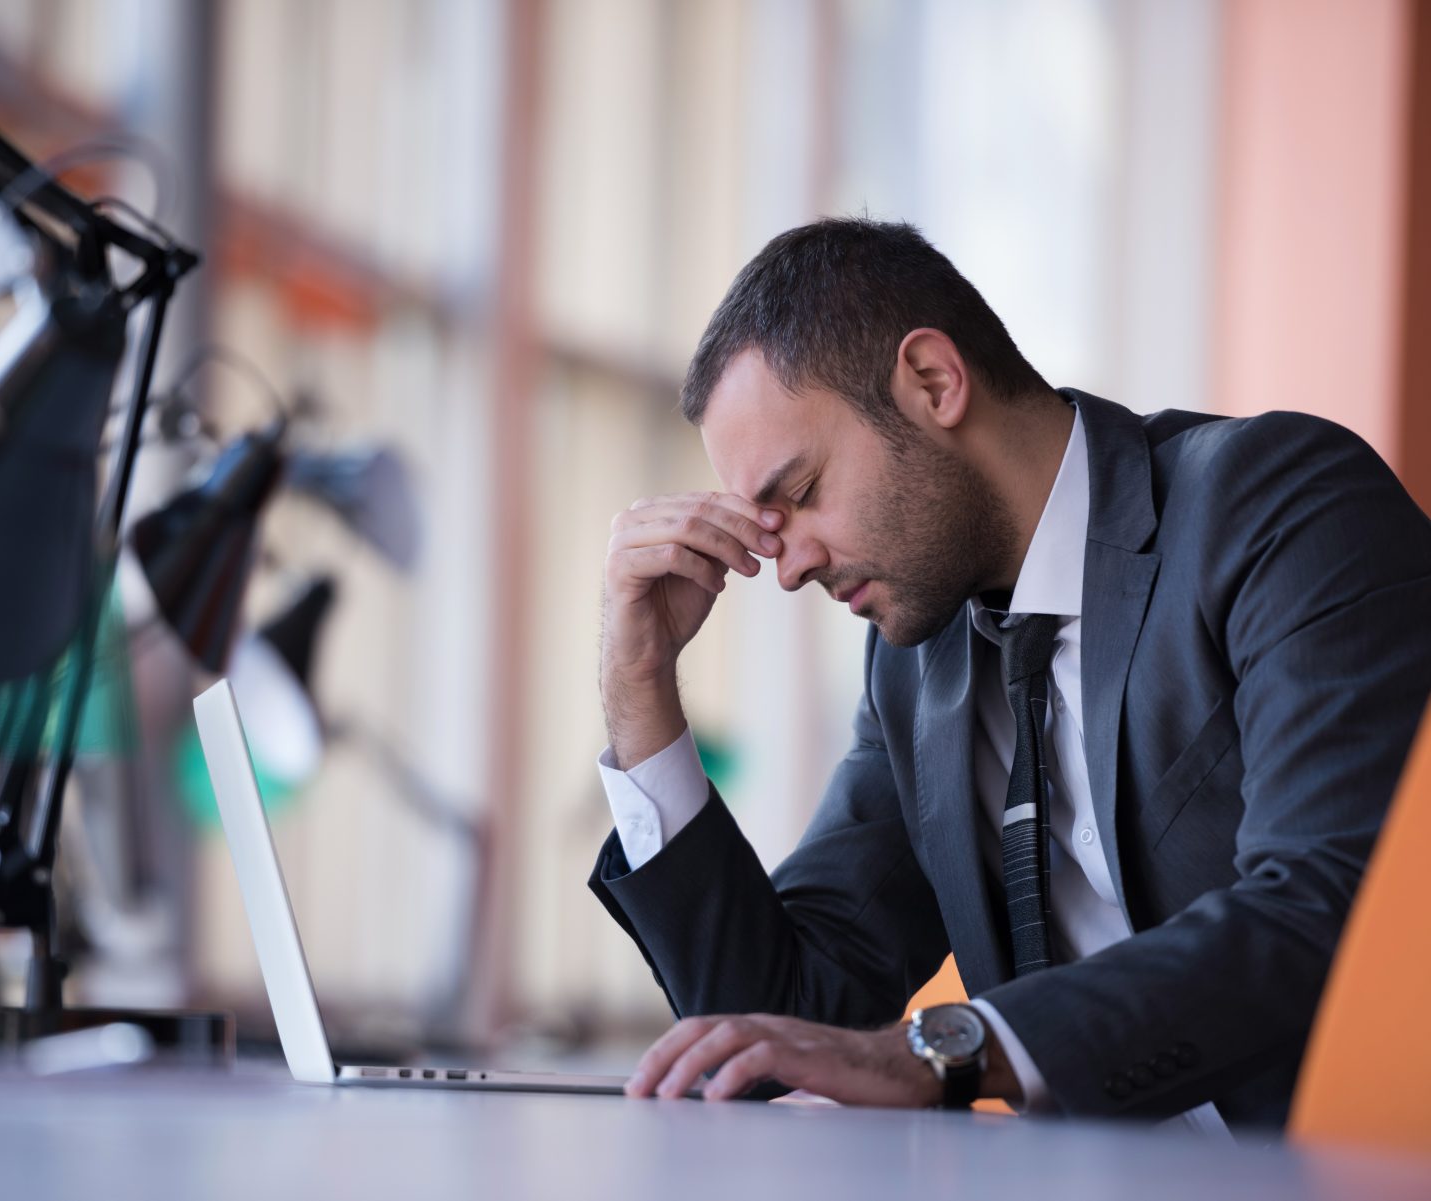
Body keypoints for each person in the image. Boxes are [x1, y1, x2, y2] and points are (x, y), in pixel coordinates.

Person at [589, 218, 1431, 1130]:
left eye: (798, 494)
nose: (786, 568)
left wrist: (949, 1049)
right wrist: (640, 689)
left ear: (933, 382)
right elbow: (776, 1016)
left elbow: (1326, 906)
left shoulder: (1277, 507)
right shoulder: (916, 659)